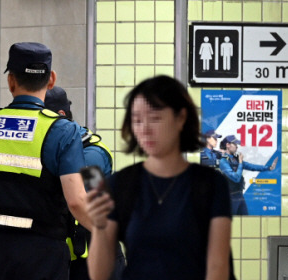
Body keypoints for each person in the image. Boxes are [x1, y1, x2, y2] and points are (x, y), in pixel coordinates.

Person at [0, 42, 91, 280]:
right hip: (46, 254)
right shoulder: (64, 131)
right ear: (51, 79)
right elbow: (76, 202)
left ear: (11, 81)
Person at [86, 75, 232, 280]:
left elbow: (218, 267)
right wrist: (99, 227)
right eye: (137, 120)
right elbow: (99, 275)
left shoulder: (209, 184)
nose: (144, 129)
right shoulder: (120, 184)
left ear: (180, 118)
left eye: (155, 118)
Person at [45, 86, 123, 280]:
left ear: (60, 114)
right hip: (69, 256)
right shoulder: (56, 149)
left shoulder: (92, 154)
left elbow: (79, 196)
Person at [219, 135, 277, 215]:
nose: (237, 146)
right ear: (228, 145)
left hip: (239, 195)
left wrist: (269, 168)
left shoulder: (236, 159)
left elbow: (252, 166)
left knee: (245, 221)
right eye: (235, 144)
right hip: (230, 197)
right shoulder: (223, 161)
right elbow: (236, 178)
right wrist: (240, 163)